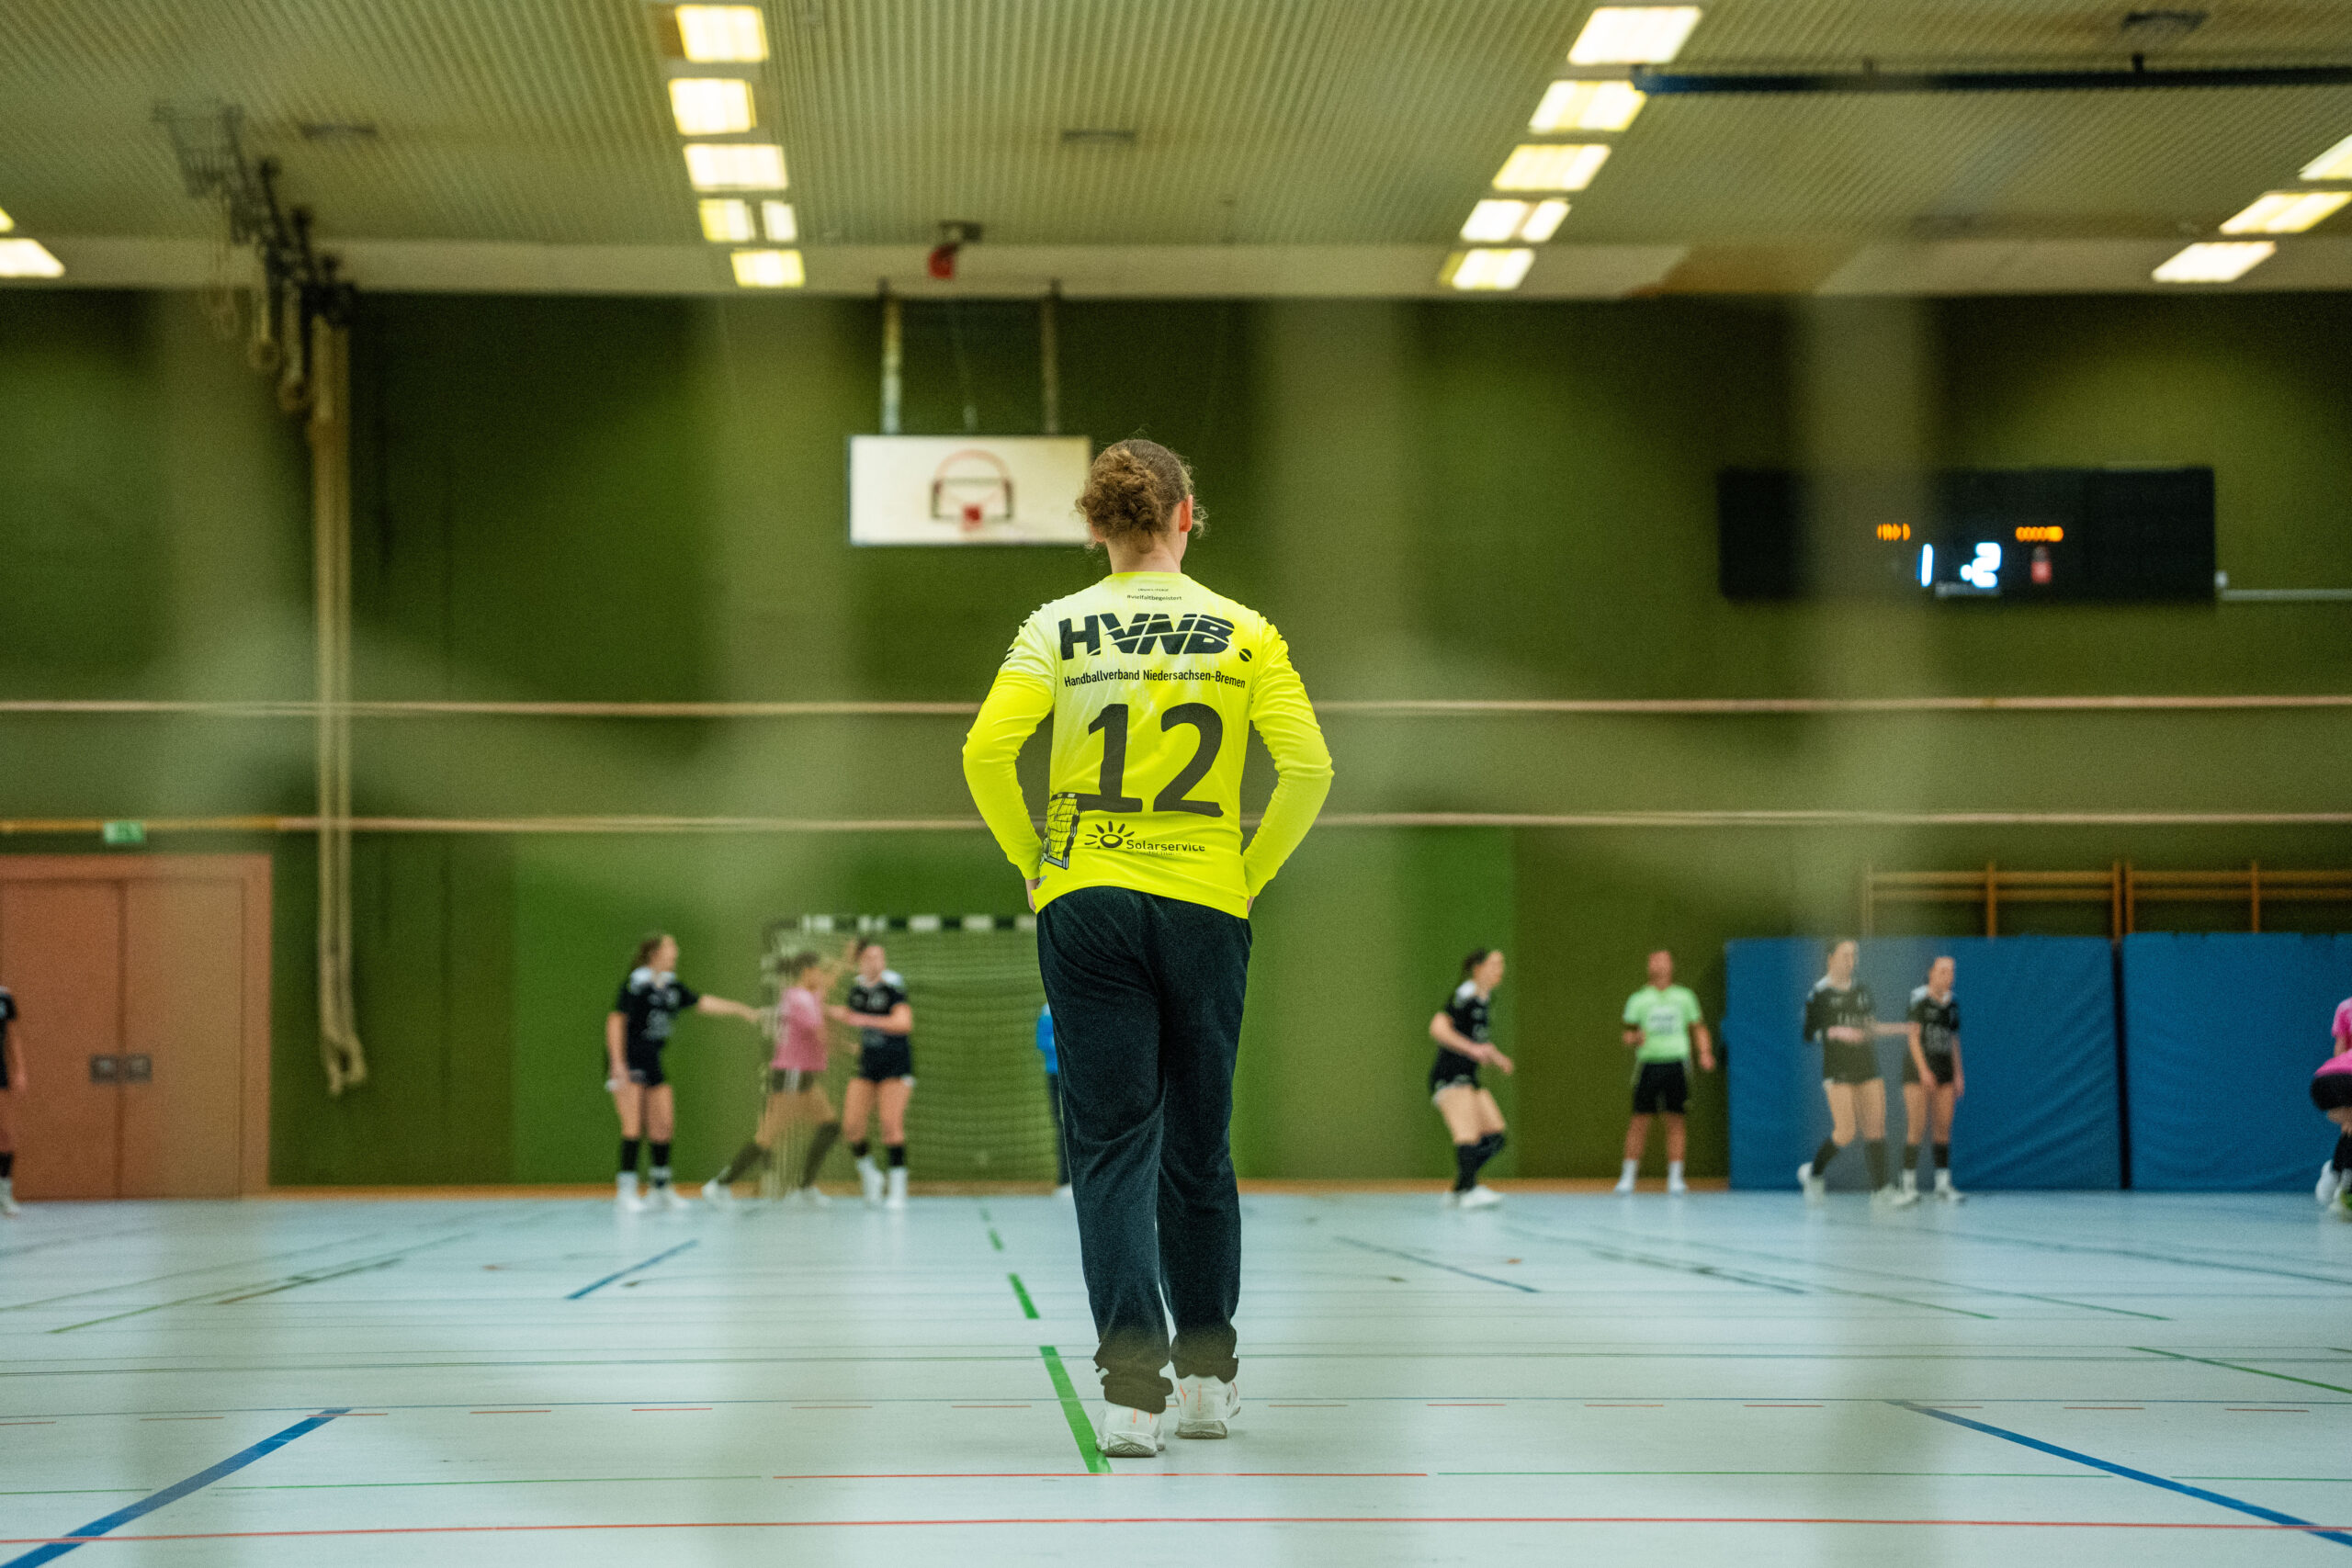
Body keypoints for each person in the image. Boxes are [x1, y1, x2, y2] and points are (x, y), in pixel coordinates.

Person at [962, 437, 1332, 1461]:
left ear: (1094, 527)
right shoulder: (1247, 633)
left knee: (1112, 1146)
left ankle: (1133, 1398)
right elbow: (1309, 770)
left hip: (1086, 897)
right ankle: (1207, 1382)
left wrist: (1034, 860)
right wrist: (1247, 873)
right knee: (1198, 1145)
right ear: (1185, 515)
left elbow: (986, 752)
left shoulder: (1054, 626)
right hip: (1206, 898)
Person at [606, 932, 763, 1212]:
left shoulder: (671, 987)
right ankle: (626, 1192)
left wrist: (741, 1010)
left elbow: (702, 1002)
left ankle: (660, 1189)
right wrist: (617, 1063)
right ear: (655, 953)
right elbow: (615, 1021)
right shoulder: (636, 983)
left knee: (664, 1125)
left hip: (653, 1060)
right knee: (633, 1125)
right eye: (670, 946)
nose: (675, 951)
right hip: (629, 1061)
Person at [705, 944, 849, 1207]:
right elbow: (821, 1035)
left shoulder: (806, 993)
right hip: (791, 1075)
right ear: (807, 972)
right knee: (767, 1135)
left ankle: (804, 1188)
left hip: (803, 1076)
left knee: (829, 1126)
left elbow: (828, 982)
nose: (822, 975)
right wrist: (850, 1047)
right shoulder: (800, 999)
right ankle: (720, 1185)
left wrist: (845, 959)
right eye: (818, 970)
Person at [1796, 939, 1913, 1204]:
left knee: (1876, 1128)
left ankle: (1882, 1191)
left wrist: (1903, 1029)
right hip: (1838, 1070)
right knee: (1846, 1132)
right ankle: (1813, 1173)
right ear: (1830, 959)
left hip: (1866, 1066)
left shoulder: (1861, 990)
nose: (1850, 961)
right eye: (1845, 955)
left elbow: (1870, 1028)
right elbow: (1809, 1034)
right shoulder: (1819, 994)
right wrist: (1834, 1032)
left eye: (1853, 955)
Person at [1616, 950, 1713, 1194]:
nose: (1659, 965)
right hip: (1648, 1065)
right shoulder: (1638, 999)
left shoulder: (1684, 997)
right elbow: (1627, 1035)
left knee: (1675, 1120)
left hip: (1676, 1064)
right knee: (1639, 1120)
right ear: (1649, 965)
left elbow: (1698, 1027)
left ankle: (1676, 1178)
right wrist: (1635, 1038)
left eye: (1664, 961)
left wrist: (1704, 1052)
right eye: (1655, 961)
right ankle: (1628, 1177)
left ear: (1671, 965)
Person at [830, 940, 915, 1209]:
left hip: (896, 1065)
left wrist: (863, 1019)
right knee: (852, 1127)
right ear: (860, 962)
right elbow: (847, 1016)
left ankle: (898, 1190)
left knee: (891, 1126)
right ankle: (870, 1176)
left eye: (880, 957)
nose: (876, 962)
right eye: (869, 957)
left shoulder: (893, 986)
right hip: (868, 1064)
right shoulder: (856, 989)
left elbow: (903, 1023)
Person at [1430, 949, 1515, 1209]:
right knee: (1467, 1135)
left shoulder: (1484, 999)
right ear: (1478, 969)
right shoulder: (1465, 993)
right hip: (1451, 1077)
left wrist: (1495, 1056)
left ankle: (1461, 1188)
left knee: (1495, 1136)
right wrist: (1472, 1050)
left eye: (1502, 964)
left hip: (1469, 1078)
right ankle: (1468, 1191)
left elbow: (1477, 1040)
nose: (1499, 970)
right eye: (1494, 964)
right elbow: (1437, 1028)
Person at [1902, 955, 1966, 1203]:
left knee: (1943, 1128)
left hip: (1945, 1071)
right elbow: (1913, 1037)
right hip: (1917, 1072)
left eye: (1951, 972)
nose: (1948, 976)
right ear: (1931, 973)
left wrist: (1958, 1074)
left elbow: (1953, 1040)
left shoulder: (1952, 1004)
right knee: (1916, 1128)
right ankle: (1907, 1185)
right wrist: (1923, 1070)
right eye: (1943, 971)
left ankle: (1943, 1185)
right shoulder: (1918, 998)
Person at [2312, 996, 2352, 1214]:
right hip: (2343, 1078)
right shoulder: (2346, 1008)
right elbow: (2341, 1046)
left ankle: (2336, 1175)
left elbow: (2341, 1050)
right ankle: (2342, 1180)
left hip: (2322, 1081)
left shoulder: (2345, 1007)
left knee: (2349, 1126)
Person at [1038, 1003, 1072, 1198]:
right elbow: (1042, 1042)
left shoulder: (1072, 1005)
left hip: (1074, 1076)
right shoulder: (1046, 1012)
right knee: (1061, 1125)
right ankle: (1064, 1180)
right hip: (1054, 1074)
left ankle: (1077, 1180)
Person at [0, 983, 21, 1217]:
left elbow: (13, 1038)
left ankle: (4, 1194)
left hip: (1, 1074)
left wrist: (20, 1070)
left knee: (5, 1134)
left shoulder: (5, 998)